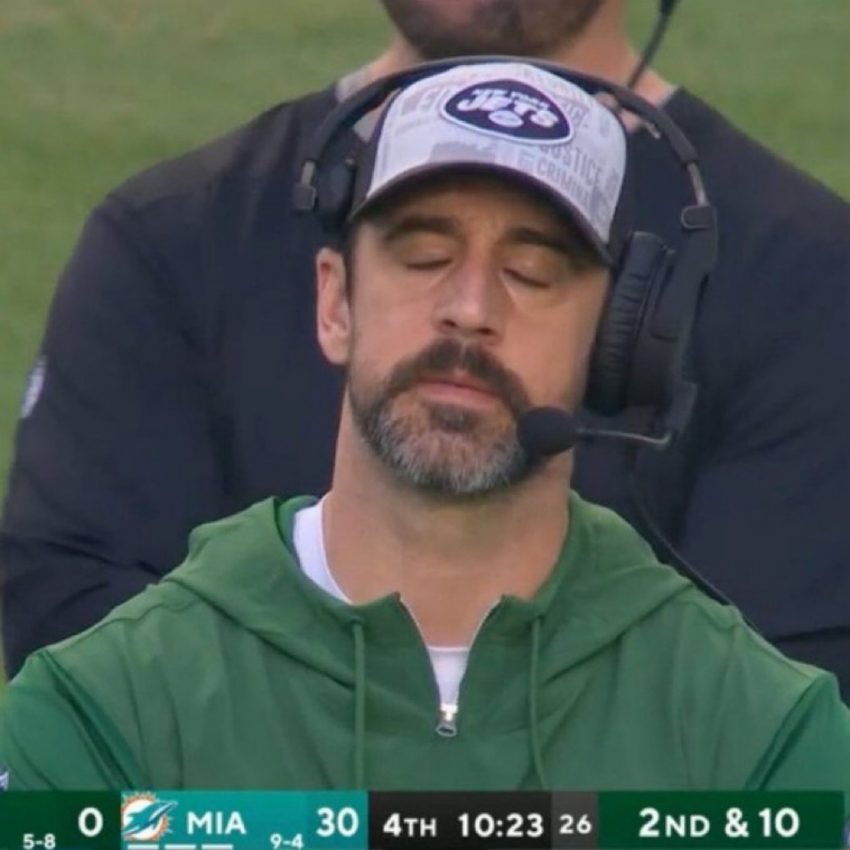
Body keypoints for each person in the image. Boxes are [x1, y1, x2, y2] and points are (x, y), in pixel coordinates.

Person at [1, 63, 849, 793]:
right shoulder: (97, 720)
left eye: (531, 271)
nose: (470, 309)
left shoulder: (766, 740)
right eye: (424, 257)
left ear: (614, 342)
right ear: (335, 303)